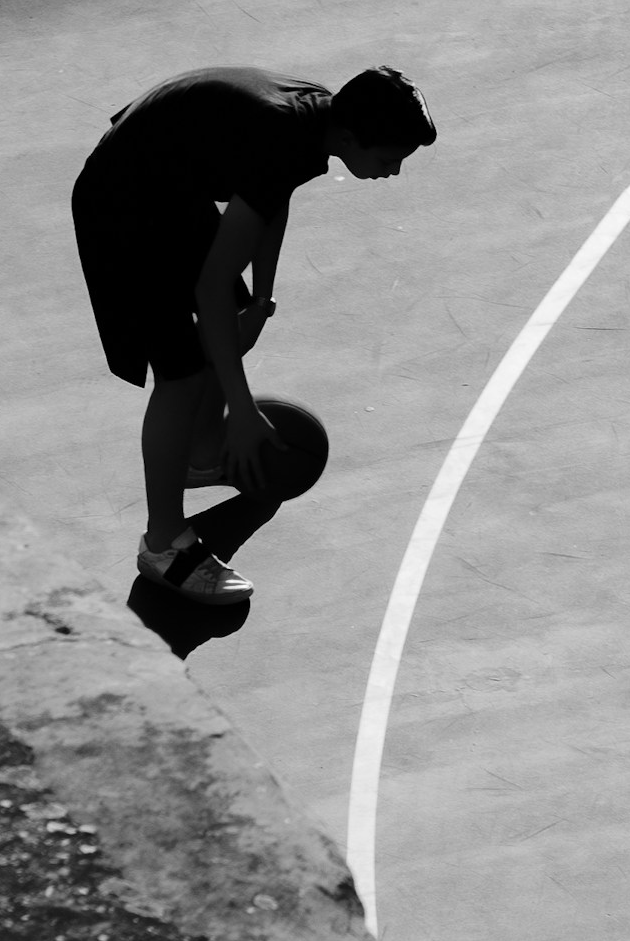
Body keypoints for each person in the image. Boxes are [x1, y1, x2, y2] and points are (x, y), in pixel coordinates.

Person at [71, 64, 436, 604]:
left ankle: (197, 456)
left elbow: (271, 202)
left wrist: (260, 300)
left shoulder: (316, 120)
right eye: (389, 159)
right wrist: (241, 412)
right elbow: (210, 287)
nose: (394, 172)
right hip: (123, 208)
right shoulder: (283, 134)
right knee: (182, 374)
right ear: (351, 138)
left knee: (230, 321)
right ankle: (164, 546)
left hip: (168, 191)